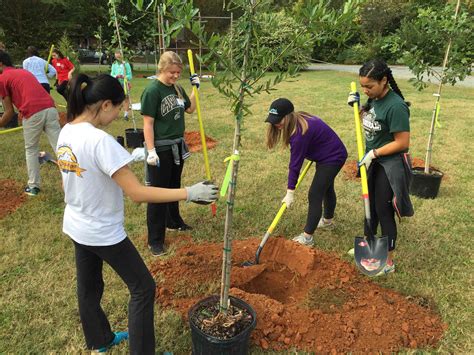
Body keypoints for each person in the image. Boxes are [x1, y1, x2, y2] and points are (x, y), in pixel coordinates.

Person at [57, 73, 218, 354]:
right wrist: (188, 193)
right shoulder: (99, 140)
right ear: (105, 104)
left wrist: (128, 158)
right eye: (119, 108)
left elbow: (80, 173)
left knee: (89, 286)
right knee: (143, 288)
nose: (119, 114)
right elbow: (138, 194)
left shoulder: (67, 130)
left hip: (76, 224)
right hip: (102, 231)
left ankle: (99, 340)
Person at [347, 58, 414, 276]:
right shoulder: (373, 99)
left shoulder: (396, 106)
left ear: (384, 81)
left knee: (383, 209)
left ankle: (389, 260)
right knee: (369, 204)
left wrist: (374, 153)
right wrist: (357, 107)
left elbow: (402, 143)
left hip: (389, 163)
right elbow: (369, 123)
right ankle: (369, 245)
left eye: (369, 86)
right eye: (362, 86)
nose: (365, 90)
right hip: (372, 160)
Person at [141, 50, 200, 256]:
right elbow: (148, 123)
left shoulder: (177, 88)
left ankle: (173, 221)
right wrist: (151, 151)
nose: (175, 76)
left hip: (177, 146)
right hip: (160, 149)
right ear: (162, 69)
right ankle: (155, 241)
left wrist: (195, 89)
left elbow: (190, 109)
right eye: (171, 72)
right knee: (158, 194)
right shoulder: (152, 91)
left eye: (178, 72)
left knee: (174, 187)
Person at [265, 98, 348, 247]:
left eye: (279, 120)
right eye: (273, 120)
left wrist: (290, 191)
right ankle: (328, 221)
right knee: (326, 188)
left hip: (333, 157)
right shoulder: (298, 120)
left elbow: (295, 165)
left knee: (315, 193)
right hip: (325, 153)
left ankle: (307, 237)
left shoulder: (299, 134)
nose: (276, 124)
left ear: (289, 116)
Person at [0, 50, 61, 196]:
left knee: (31, 149)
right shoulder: (23, 72)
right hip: (50, 108)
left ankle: (33, 187)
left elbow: (9, 112)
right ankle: (78, 179)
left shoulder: (2, 79)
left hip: (33, 113)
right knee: (61, 147)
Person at [110, 49, 132, 120]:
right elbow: (112, 74)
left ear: (122, 55)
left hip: (124, 83)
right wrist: (116, 76)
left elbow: (130, 75)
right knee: (116, 99)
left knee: (126, 98)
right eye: (116, 55)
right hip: (116, 83)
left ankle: (126, 114)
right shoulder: (114, 64)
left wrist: (124, 77)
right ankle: (115, 114)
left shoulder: (126, 64)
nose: (117, 57)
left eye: (119, 54)